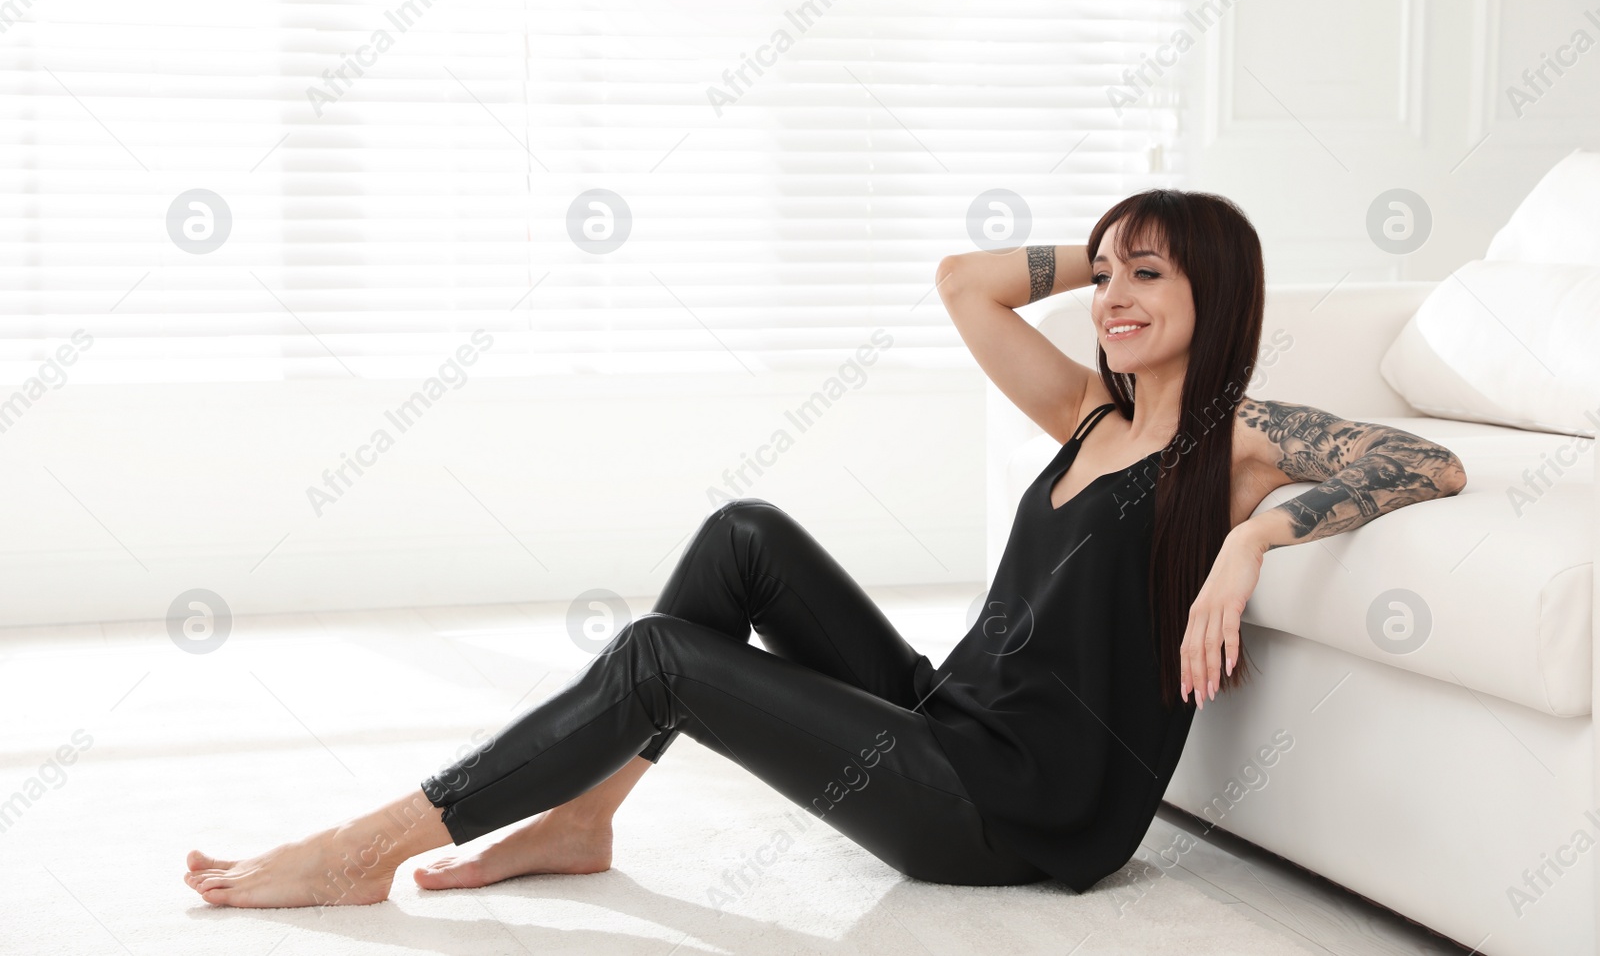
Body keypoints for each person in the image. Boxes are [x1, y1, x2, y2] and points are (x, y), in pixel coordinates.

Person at [183, 188, 1467, 908]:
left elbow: (1423, 462)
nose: (1112, 300)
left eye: (1152, 282)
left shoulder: (1234, 436)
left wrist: (1252, 539)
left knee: (658, 653)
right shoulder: (1092, 411)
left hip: (1007, 813)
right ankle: (584, 817)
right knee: (745, 537)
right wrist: (1134, 233)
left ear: (1219, 306)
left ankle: (365, 847)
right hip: (950, 721)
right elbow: (964, 277)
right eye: (1109, 276)